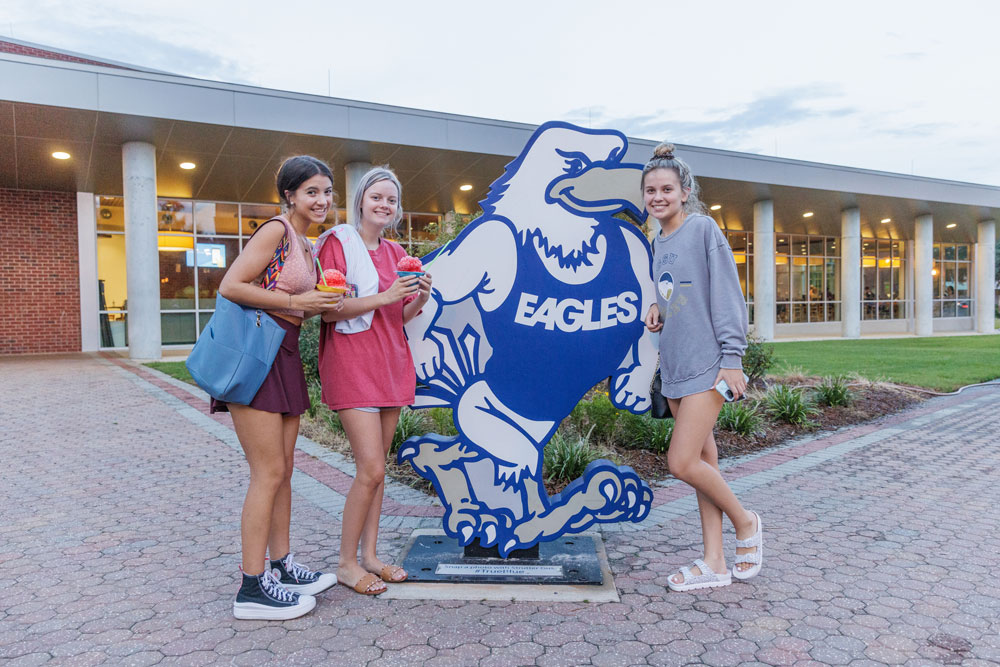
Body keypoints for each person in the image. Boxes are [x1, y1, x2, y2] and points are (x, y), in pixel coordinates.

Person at [215, 155, 343, 619]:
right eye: (311, 191)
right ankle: (251, 588)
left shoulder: (307, 247)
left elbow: (299, 305)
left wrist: (318, 303)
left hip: (285, 353)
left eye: (327, 192)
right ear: (289, 194)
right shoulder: (275, 230)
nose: (322, 200)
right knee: (267, 472)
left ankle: (283, 566)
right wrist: (296, 300)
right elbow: (232, 285)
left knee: (284, 470)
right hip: (257, 356)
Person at [642, 143, 763, 591]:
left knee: (681, 461)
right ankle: (714, 562)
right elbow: (676, 292)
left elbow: (727, 295)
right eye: (651, 190)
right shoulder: (659, 242)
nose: (658, 196)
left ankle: (746, 523)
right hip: (675, 366)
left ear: (684, 191)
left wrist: (733, 360)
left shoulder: (703, 229)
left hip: (709, 366)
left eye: (667, 189)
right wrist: (656, 306)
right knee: (703, 464)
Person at [316, 166, 433, 595]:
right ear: (361, 200)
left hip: (391, 362)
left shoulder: (395, 252)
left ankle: (370, 555)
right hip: (353, 364)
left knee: (378, 473)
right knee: (371, 468)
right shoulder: (337, 243)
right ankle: (347, 564)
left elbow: (392, 317)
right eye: (377, 197)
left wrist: (418, 296)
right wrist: (385, 295)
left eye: (392, 200)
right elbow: (328, 310)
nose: (384, 205)